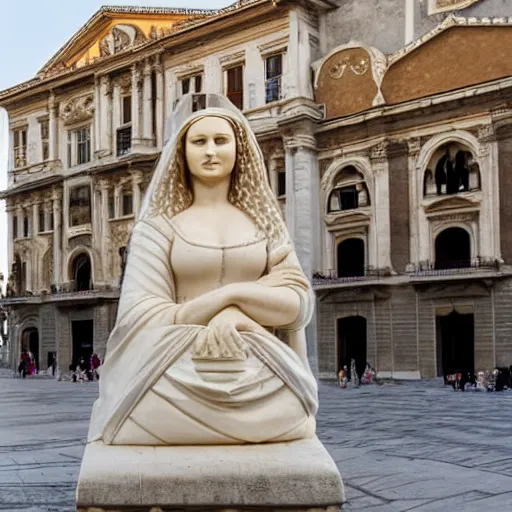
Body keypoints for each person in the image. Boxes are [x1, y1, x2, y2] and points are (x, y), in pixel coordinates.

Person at [87, 93, 317, 446]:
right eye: (199, 141)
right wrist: (228, 303)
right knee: (142, 407)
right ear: (182, 152)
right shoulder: (157, 228)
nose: (211, 151)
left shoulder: (266, 224)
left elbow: (297, 304)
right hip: (172, 370)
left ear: (239, 149)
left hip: (259, 370)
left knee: (292, 409)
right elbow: (140, 315)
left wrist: (236, 312)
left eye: (221, 140)